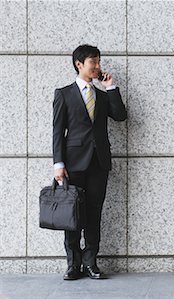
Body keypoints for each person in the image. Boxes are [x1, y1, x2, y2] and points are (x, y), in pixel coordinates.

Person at [53, 44, 127, 280]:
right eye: (93, 62)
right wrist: (58, 164)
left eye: (98, 61)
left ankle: (90, 262)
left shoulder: (103, 95)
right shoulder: (63, 94)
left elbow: (120, 116)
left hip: (99, 163)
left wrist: (111, 87)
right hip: (73, 163)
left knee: (94, 212)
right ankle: (73, 264)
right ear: (79, 64)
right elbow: (57, 132)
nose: (97, 66)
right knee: (72, 213)